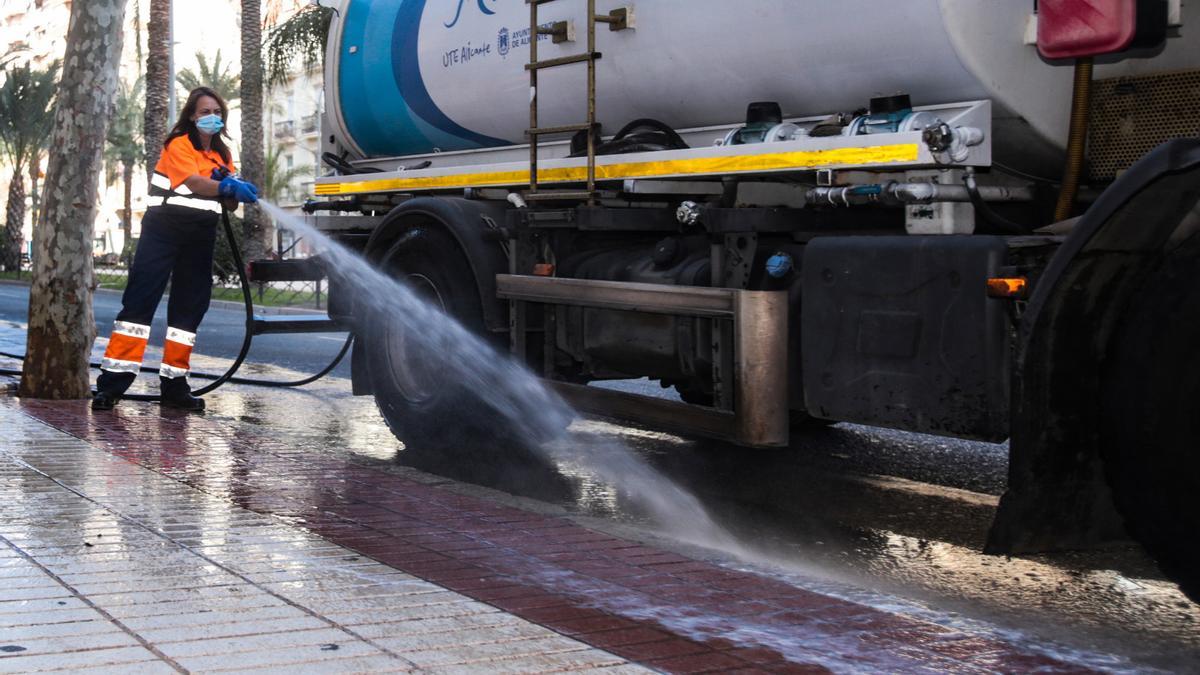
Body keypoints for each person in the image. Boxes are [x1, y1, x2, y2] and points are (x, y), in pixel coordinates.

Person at [92, 86, 259, 412]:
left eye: (216, 112)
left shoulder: (222, 155)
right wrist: (223, 185)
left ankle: (174, 387)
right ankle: (111, 386)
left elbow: (226, 202)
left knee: (189, 311)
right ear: (192, 116)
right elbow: (192, 183)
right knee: (140, 304)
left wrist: (234, 189)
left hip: (200, 236)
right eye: (204, 112)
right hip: (163, 230)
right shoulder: (179, 144)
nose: (212, 117)